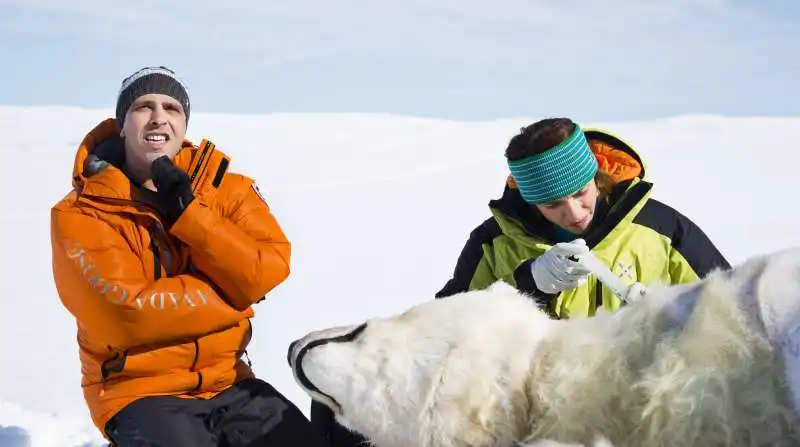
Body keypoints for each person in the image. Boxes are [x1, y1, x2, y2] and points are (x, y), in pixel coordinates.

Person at [50, 66, 330, 446]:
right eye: (143, 106)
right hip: (138, 392)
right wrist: (235, 292)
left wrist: (190, 216)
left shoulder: (225, 189)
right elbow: (126, 315)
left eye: (171, 108)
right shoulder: (81, 212)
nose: (158, 117)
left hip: (230, 381)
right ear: (121, 125)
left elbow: (269, 267)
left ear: (184, 125)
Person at [434, 117, 731, 318]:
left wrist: (664, 314)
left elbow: (731, 308)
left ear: (595, 176)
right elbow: (446, 328)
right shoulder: (493, 242)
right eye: (552, 205)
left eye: (580, 193)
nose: (574, 214)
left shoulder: (661, 228)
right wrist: (528, 285)